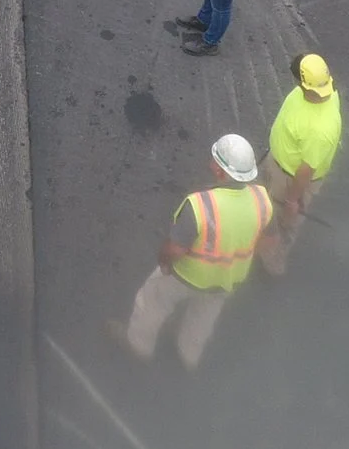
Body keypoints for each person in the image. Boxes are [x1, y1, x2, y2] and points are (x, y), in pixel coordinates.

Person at [113, 134, 273, 370]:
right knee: (203, 320)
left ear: (221, 172)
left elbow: (174, 248)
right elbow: (264, 241)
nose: (210, 163)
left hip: (186, 276)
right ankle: (188, 356)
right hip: (226, 280)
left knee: (152, 303)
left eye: (214, 161)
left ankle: (138, 346)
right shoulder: (262, 200)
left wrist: (165, 263)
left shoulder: (200, 205)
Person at [257, 54, 343, 277]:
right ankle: (258, 240)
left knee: (284, 223)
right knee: (262, 206)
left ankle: (273, 262)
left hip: (290, 179)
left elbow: (306, 170)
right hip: (277, 163)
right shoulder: (324, 91)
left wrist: (293, 200)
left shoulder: (321, 130)